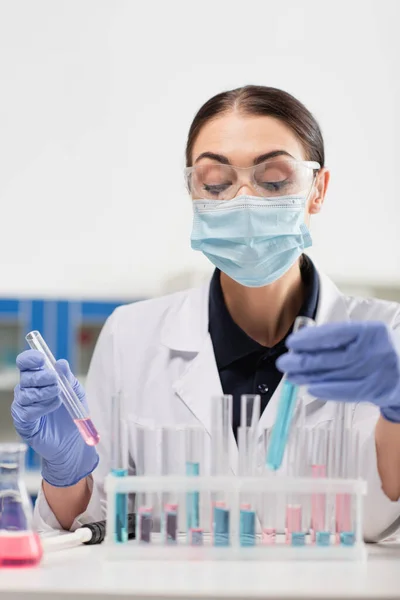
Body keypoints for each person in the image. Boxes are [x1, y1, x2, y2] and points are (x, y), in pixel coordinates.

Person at [12, 85, 400, 541]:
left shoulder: (387, 337)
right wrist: (64, 471)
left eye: (273, 180)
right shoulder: (131, 336)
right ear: (194, 191)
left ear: (318, 189)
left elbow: (384, 520)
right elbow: (88, 526)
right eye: (216, 182)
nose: (242, 200)